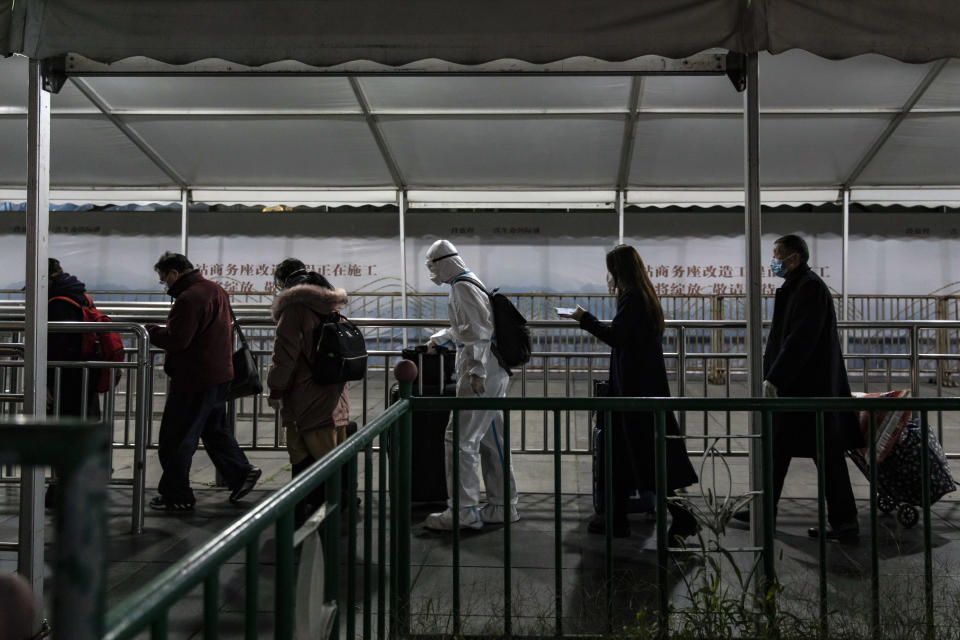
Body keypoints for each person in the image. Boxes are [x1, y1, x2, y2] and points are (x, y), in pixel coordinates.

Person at [561, 244, 699, 542]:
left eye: (610, 271)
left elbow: (617, 337)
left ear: (617, 272)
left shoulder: (632, 298)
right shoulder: (643, 295)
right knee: (626, 456)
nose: (608, 278)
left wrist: (584, 319)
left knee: (643, 457)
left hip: (636, 392)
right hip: (639, 388)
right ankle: (618, 518)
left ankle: (682, 516)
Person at [735, 234, 862, 543]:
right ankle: (765, 509)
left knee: (825, 455)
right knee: (780, 451)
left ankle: (845, 524)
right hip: (803, 389)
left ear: (794, 258)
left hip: (809, 390)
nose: (773, 262)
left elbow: (800, 339)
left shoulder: (809, 289)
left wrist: (775, 377)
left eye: (777, 256)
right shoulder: (800, 286)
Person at [145, 252, 261, 511]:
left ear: (174, 273)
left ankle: (178, 495)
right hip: (219, 375)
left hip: (194, 378)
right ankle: (241, 472)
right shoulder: (215, 289)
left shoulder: (189, 298)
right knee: (214, 431)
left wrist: (149, 330)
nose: (165, 285)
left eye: (164, 279)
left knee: (175, 438)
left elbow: (178, 340)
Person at [422, 239, 519, 530]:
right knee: (492, 441)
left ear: (442, 263)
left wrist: (476, 371)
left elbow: (478, 332)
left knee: (459, 440)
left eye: (432, 265)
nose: (431, 272)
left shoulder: (461, 287)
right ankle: (503, 505)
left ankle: (463, 512)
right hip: (493, 371)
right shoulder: (469, 282)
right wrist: (441, 338)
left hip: (481, 373)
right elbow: (469, 327)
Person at [267, 258, 352, 528]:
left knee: (306, 457)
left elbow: (284, 358)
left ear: (283, 283)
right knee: (328, 454)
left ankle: (318, 512)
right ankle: (325, 508)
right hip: (335, 392)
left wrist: (275, 388)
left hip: (306, 395)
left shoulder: (294, 311)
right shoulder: (330, 305)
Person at [47, 258, 101, 420]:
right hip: (87, 367)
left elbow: (56, 347)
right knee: (85, 418)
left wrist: (47, 382)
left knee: (63, 423)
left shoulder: (57, 303)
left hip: (65, 376)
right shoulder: (80, 295)